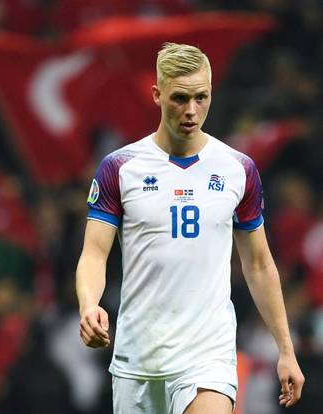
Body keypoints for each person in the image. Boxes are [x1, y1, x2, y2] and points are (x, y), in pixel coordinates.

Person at [76, 43, 305, 414]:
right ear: (157, 95)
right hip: (139, 359)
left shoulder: (237, 169)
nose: (192, 110)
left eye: (201, 97)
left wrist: (285, 349)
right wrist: (89, 305)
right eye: (180, 98)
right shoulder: (121, 167)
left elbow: (259, 264)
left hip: (207, 356)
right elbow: (94, 254)